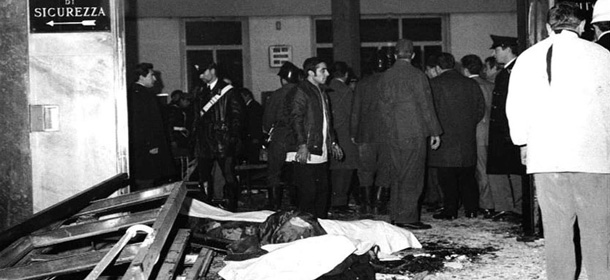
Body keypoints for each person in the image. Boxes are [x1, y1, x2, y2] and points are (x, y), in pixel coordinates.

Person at [506, 3, 610, 279]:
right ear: (582, 26)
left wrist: (523, 143)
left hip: (547, 156)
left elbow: (515, 106)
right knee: (597, 229)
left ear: (549, 27)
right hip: (594, 157)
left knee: (557, 230)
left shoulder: (527, 58)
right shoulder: (602, 55)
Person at [378, 39, 442, 230]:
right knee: (413, 176)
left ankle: (396, 215)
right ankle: (408, 217)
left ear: (395, 55)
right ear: (413, 55)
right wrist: (434, 131)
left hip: (393, 133)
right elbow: (425, 105)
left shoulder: (386, 76)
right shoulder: (417, 75)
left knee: (397, 174)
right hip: (413, 132)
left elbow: (383, 109)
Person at [428, 53, 485, 220]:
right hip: (466, 137)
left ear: (438, 68)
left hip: (444, 137)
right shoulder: (470, 83)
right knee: (468, 176)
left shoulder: (434, 84)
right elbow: (480, 109)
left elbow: (429, 110)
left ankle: (450, 210)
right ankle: (471, 209)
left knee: (447, 178)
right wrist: (468, 125)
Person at [285, 57, 343, 218]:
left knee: (322, 193)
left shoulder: (321, 91)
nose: (327, 73)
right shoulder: (301, 91)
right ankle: (307, 231)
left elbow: (326, 121)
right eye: (322, 70)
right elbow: (295, 119)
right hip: (306, 151)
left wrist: (332, 141)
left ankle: (320, 228)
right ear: (311, 72)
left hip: (319, 150)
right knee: (308, 194)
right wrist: (302, 145)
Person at [192, 63, 245, 211]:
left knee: (229, 176)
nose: (200, 76)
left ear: (213, 70)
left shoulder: (229, 91)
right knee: (204, 177)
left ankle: (231, 207)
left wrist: (231, 138)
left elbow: (238, 117)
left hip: (223, 142)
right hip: (204, 142)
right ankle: (207, 208)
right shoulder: (200, 91)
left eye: (203, 72)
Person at [487, 34, 525, 222]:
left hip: (507, 131)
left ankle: (514, 208)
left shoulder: (516, 70)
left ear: (507, 48)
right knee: (507, 169)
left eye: (497, 49)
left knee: (513, 170)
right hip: (504, 130)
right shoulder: (508, 71)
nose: (494, 54)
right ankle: (511, 207)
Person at [127, 63, 176, 191]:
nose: (155, 79)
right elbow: (141, 122)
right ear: (141, 77)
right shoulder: (141, 95)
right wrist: (151, 144)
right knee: (146, 182)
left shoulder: (138, 93)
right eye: (152, 75)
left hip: (145, 146)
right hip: (147, 147)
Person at [350, 56, 389, 214]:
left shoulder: (362, 83)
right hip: (387, 134)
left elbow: (355, 111)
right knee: (385, 170)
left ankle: (365, 204)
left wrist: (353, 132)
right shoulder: (391, 83)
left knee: (365, 170)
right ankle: (380, 204)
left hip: (365, 134)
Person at [262, 61, 303, 210]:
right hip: (299, 136)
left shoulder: (277, 94)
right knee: (297, 172)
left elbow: (268, 120)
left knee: (274, 172)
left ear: (283, 79)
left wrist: (267, 132)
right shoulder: (303, 92)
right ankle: (296, 205)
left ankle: (274, 205)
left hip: (280, 135)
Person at [461, 54, 495, 218]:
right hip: (492, 132)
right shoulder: (490, 84)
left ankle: (486, 204)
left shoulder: (468, 85)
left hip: (476, 132)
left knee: (480, 170)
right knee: (492, 170)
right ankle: (495, 202)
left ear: (465, 69)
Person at [328, 61, 358, 213]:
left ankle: (334, 201)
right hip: (345, 134)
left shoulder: (326, 89)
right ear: (346, 75)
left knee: (334, 170)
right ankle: (340, 203)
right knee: (345, 170)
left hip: (330, 134)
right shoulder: (347, 91)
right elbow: (353, 114)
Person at [238, 87, 264, 164]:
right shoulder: (250, 107)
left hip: (253, 138)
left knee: (253, 159)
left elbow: (255, 123)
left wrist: (255, 137)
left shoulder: (254, 107)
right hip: (250, 138)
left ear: (247, 96)